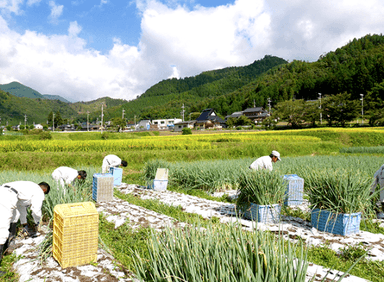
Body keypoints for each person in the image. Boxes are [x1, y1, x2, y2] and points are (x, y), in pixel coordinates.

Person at [0, 181, 50, 275]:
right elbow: (36, 210)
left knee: (14, 217)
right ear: (44, 190)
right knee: (2, 228)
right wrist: (37, 222)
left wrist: (24, 224)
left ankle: (8, 245)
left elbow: (21, 209)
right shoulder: (38, 191)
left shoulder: (27, 188)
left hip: (4, 192)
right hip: (6, 197)